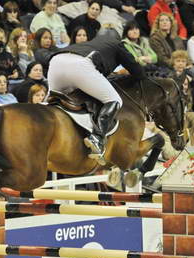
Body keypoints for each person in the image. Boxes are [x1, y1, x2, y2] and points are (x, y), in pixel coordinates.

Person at [48, 34, 147, 162]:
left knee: (50, 101)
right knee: (114, 100)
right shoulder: (117, 44)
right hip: (79, 66)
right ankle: (97, 138)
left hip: (56, 62)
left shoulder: (92, 42)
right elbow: (138, 73)